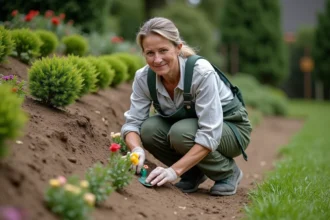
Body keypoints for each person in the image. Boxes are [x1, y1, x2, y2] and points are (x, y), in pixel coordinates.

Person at [121, 17, 252, 196]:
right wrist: (136, 149)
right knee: (149, 129)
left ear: (178, 48)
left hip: (231, 128)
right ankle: (193, 173)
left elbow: (210, 133)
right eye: (150, 53)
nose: (157, 60)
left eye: (163, 50)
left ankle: (227, 173)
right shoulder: (144, 78)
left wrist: (173, 171)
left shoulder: (201, 72)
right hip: (191, 127)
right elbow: (133, 123)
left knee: (180, 133)